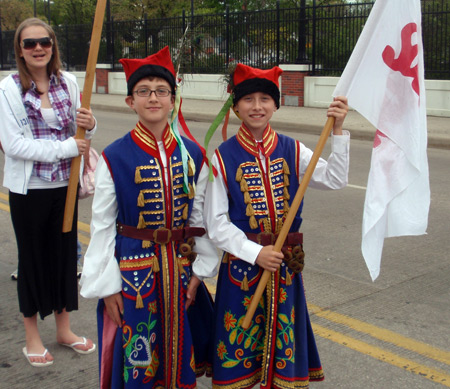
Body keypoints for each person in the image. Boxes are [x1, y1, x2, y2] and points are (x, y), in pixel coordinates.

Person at [203, 63, 350, 388]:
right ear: (236, 105)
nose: (257, 107)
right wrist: (255, 253)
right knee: (240, 350)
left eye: (265, 99)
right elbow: (215, 224)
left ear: (275, 104)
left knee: (281, 352)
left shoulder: (292, 149)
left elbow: (336, 179)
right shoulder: (222, 157)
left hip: (284, 268)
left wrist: (338, 131)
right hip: (242, 272)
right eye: (249, 99)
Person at [80, 46, 218, 388]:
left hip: (182, 271)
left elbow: (201, 218)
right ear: (131, 102)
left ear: (173, 99)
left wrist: (201, 272)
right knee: (140, 358)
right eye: (143, 91)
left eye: (161, 91)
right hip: (134, 275)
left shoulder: (194, 154)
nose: (152, 98)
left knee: (179, 353)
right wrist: (108, 286)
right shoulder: (114, 156)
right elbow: (101, 226)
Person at [0, 17, 97, 367]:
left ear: (53, 46)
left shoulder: (68, 83)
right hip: (30, 192)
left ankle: (64, 330)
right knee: (32, 261)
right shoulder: (8, 90)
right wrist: (67, 147)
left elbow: (83, 129)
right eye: (30, 44)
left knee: (63, 259)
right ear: (20, 50)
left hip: (65, 188)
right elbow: (14, 145)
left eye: (45, 41)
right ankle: (32, 338)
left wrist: (91, 124)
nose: (38, 48)